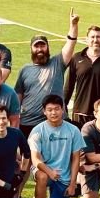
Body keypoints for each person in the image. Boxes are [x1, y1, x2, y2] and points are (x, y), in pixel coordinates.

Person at [15, 10, 79, 138]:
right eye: (36, 46)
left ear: (48, 47)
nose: (40, 49)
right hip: (28, 123)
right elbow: (18, 97)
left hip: (55, 121)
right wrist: (15, 120)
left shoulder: (58, 63)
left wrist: (73, 25)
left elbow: (71, 43)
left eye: (43, 46)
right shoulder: (25, 70)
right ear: (31, 49)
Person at [27, 95, 86, 198]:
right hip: (44, 170)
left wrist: (72, 184)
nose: (53, 113)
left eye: (57, 109)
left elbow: (76, 159)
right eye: (49, 110)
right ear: (44, 111)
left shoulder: (73, 130)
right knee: (42, 176)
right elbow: (35, 160)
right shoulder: (37, 130)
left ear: (63, 110)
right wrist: (50, 172)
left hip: (63, 176)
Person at [64, 25, 100, 127]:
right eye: (92, 37)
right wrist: (63, 108)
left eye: (98, 37)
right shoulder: (77, 58)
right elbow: (69, 86)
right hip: (80, 113)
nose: (95, 40)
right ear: (87, 39)